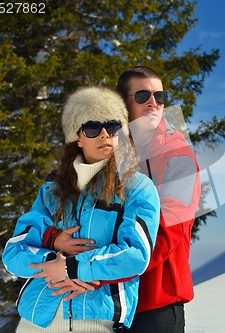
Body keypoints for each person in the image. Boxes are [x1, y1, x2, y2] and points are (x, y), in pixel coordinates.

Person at [42, 67, 201, 333]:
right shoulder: (107, 151)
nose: (154, 103)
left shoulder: (178, 157)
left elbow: (165, 234)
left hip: (154, 303)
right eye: (142, 95)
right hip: (106, 304)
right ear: (122, 103)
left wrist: (90, 272)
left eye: (159, 96)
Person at [2, 86, 161, 332]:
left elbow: (136, 255)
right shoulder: (51, 190)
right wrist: (52, 253)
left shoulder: (137, 187)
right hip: (35, 319)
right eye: (92, 128)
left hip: (95, 320)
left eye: (113, 126)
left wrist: (71, 268)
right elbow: (13, 253)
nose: (104, 135)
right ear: (78, 137)